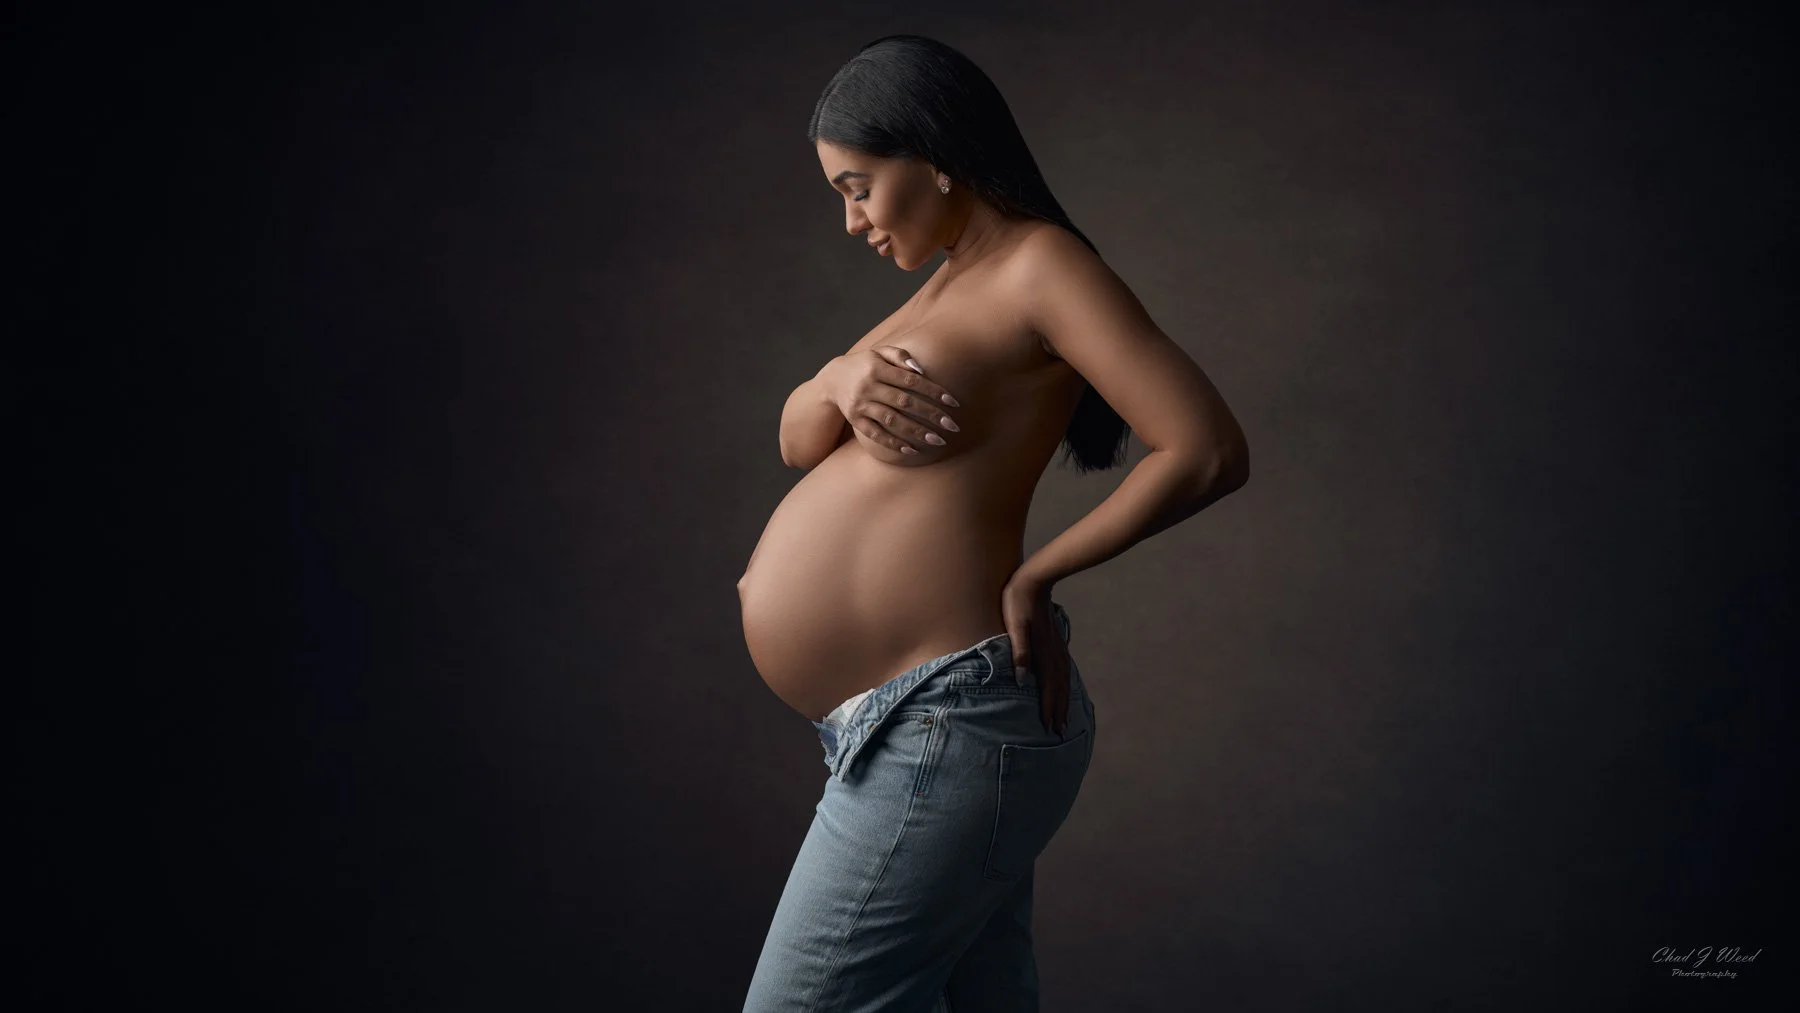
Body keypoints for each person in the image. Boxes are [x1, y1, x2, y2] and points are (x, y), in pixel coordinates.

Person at [737, 34, 1249, 1012]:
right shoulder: (941, 287)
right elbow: (800, 439)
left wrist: (1035, 575)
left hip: (951, 717)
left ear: (933, 158)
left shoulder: (1040, 266)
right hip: (901, 727)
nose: (851, 222)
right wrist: (837, 375)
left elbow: (1207, 448)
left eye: (858, 187)